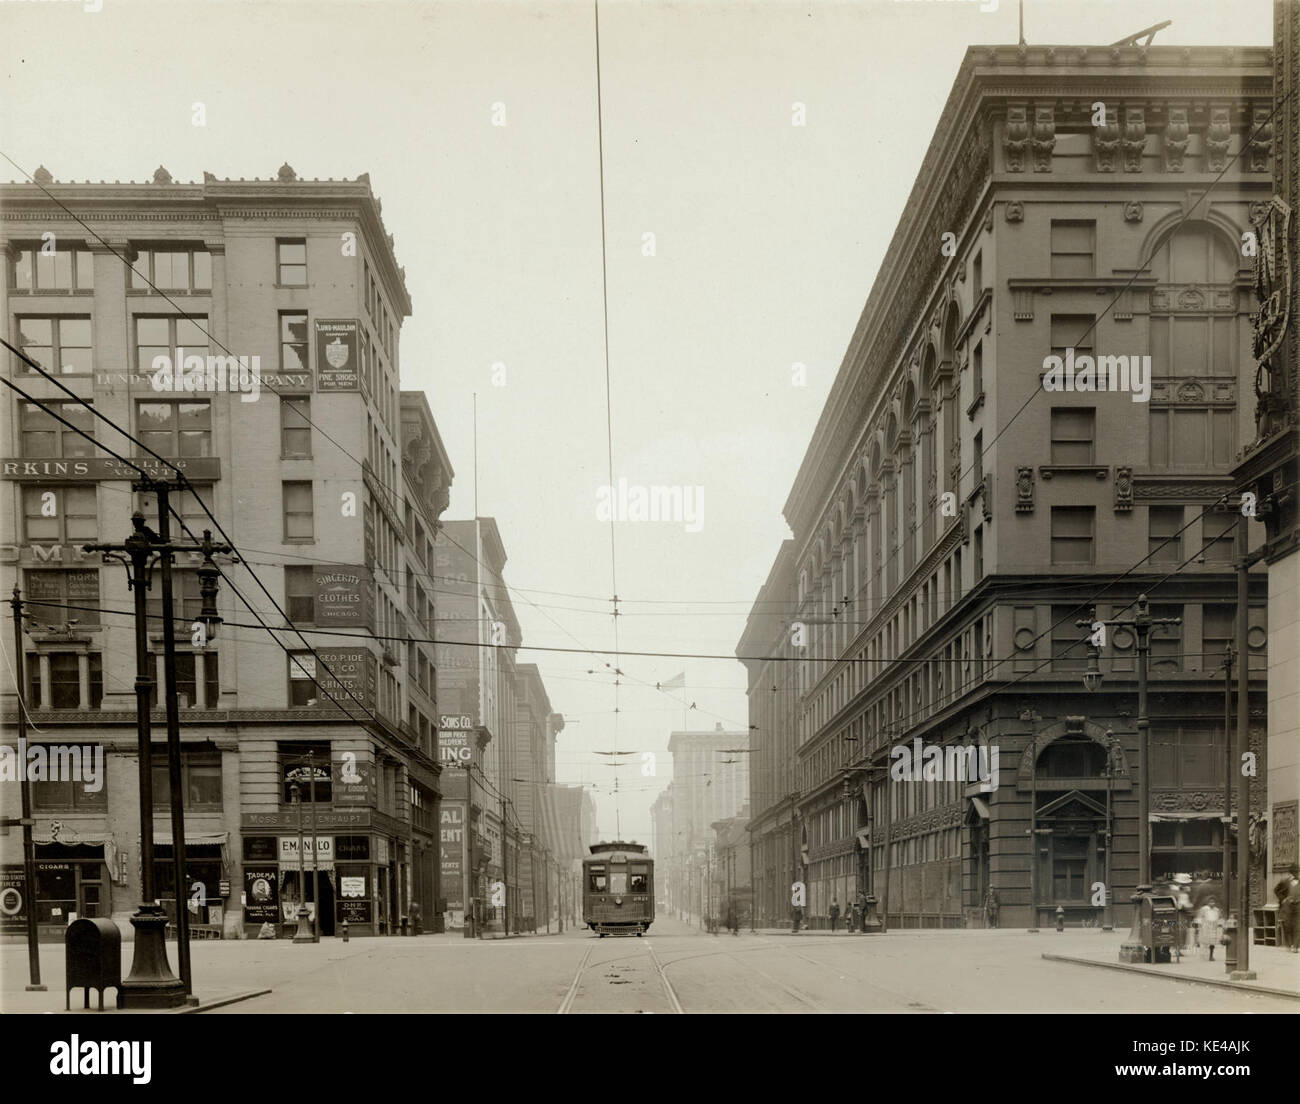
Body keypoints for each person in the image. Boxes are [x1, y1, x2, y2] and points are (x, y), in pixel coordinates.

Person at [1274, 864, 1299, 948]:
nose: (1296, 873)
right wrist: (1283, 899)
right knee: (1288, 925)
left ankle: (1295, 946)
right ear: (1291, 872)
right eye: (1295, 872)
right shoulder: (1285, 881)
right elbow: (1276, 890)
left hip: (1298, 906)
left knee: (1298, 925)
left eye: (1297, 872)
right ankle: (1289, 944)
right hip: (1288, 907)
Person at [1194, 896, 1222, 960]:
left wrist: (1219, 924)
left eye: (1213, 902)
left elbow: (1219, 918)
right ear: (1207, 903)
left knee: (1212, 941)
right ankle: (1204, 955)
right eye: (1210, 902)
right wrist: (1199, 926)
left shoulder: (1217, 910)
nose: (1212, 903)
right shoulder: (1204, 909)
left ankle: (1211, 955)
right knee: (1205, 941)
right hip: (1205, 926)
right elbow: (1199, 917)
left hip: (1214, 927)